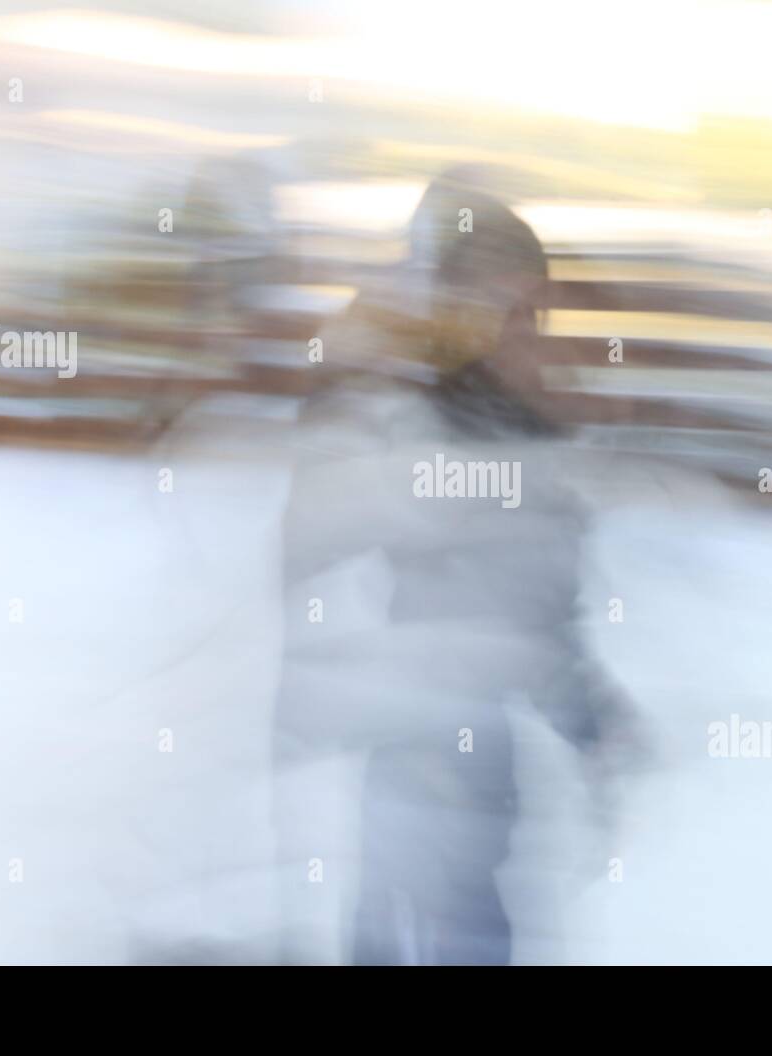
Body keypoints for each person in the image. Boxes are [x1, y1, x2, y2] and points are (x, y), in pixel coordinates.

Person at [271, 170, 633, 964]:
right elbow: (310, 541)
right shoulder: (415, 424)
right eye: (509, 308)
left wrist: (589, 715)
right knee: (403, 913)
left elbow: (539, 606)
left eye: (533, 309)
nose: (530, 330)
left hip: (472, 740)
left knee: (455, 914)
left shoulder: (514, 431)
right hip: (414, 728)